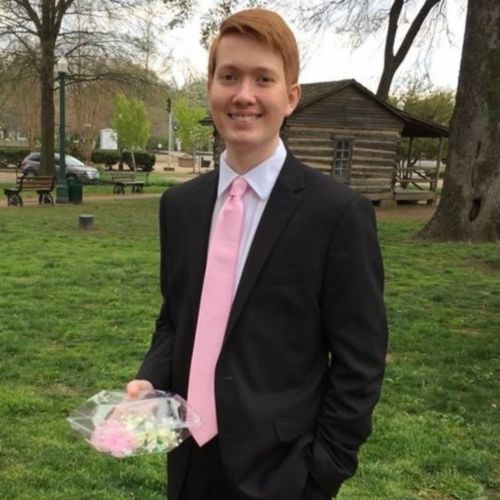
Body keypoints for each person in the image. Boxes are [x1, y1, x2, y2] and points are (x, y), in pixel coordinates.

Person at [127, 8, 388, 500]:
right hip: (187, 457)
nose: (243, 94)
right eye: (230, 76)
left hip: (284, 470)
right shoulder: (179, 206)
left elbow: (361, 362)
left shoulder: (336, 216)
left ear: (290, 97)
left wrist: (322, 472)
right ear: (210, 88)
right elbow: (177, 319)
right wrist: (150, 377)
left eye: (262, 78)